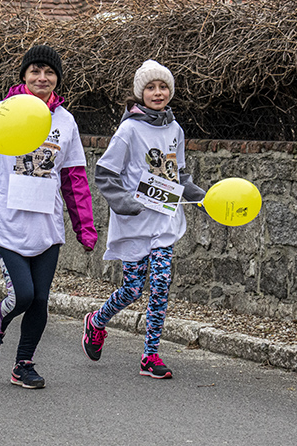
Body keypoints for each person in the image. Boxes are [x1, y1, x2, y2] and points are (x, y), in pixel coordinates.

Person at [0, 45, 97, 389]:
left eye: (49, 72)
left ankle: (23, 364)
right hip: (6, 222)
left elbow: (74, 178)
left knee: (40, 300)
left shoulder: (65, 121)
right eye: (35, 71)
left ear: (58, 78)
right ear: (24, 76)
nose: (42, 78)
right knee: (22, 295)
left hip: (46, 225)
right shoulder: (0, 113)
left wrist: (85, 228)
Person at [81, 59, 205, 379]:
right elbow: (105, 173)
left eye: (163, 86)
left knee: (161, 284)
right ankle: (96, 321)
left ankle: (150, 355)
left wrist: (203, 198)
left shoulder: (175, 129)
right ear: (140, 93)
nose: (158, 92)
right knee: (133, 289)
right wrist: (124, 203)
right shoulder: (129, 130)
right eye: (150, 87)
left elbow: (179, 175)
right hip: (135, 222)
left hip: (165, 221)